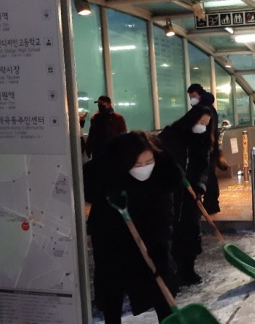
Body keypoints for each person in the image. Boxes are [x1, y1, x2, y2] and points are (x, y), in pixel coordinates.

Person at [83, 131, 183, 323]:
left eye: (148, 162)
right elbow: (88, 184)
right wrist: (108, 193)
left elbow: (164, 216)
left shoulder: (161, 175)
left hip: (151, 237)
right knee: (112, 288)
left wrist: (159, 247)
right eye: (137, 164)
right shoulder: (107, 171)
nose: (144, 168)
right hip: (112, 241)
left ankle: (168, 319)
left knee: (162, 282)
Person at [157, 105, 214, 286]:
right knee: (170, 232)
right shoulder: (170, 135)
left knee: (190, 231)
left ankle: (188, 270)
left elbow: (204, 166)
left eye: (206, 123)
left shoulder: (203, 139)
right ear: (192, 118)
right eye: (201, 122)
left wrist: (200, 186)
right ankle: (170, 273)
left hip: (191, 194)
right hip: (171, 192)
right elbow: (159, 159)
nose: (203, 126)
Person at [187, 84, 228, 215]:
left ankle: (210, 203)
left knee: (207, 176)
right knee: (209, 175)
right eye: (190, 97)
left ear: (199, 95)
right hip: (209, 146)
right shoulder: (209, 107)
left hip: (204, 147)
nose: (191, 99)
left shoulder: (203, 109)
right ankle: (211, 203)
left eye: (193, 96)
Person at [85, 95, 127, 160]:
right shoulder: (95, 118)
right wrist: (88, 148)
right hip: (98, 150)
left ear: (108, 104)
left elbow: (123, 135)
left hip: (113, 150)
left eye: (102, 104)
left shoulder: (117, 118)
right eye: (99, 104)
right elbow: (92, 134)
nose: (99, 106)